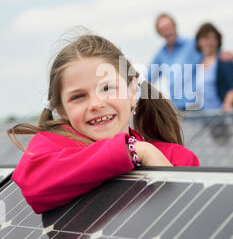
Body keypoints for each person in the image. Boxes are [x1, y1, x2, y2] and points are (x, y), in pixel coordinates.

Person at [8, 33, 199, 214]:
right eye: (78, 96)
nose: (96, 104)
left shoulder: (177, 158)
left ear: (133, 91)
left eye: (107, 88)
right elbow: (35, 185)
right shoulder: (51, 148)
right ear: (61, 110)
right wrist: (135, 151)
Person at [148, 13, 233, 110]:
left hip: (197, 107)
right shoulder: (160, 56)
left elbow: (210, 51)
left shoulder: (191, 45)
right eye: (163, 29)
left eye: (169, 27)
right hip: (177, 108)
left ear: (175, 26)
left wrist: (222, 53)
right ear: (159, 33)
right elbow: (148, 79)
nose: (167, 31)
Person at [194, 22, 233, 111]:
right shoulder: (198, 64)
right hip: (205, 117)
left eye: (213, 38)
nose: (210, 42)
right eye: (206, 38)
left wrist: (228, 104)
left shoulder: (224, 60)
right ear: (199, 41)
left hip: (222, 116)